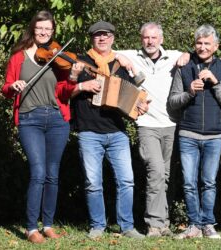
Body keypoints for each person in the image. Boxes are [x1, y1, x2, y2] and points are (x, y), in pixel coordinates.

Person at [69, 20, 149, 239]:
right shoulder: (80, 62)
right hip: (88, 131)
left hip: (117, 132)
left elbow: (134, 92)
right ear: (92, 39)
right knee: (93, 182)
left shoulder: (119, 65)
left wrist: (139, 105)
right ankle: (97, 225)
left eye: (106, 35)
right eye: (97, 35)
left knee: (126, 181)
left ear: (112, 38)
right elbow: (65, 92)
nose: (102, 39)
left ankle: (127, 226)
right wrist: (80, 84)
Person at [1, 10, 76, 244]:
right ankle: (31, 228)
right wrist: (13, 86)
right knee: (38, 173)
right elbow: (5, 89)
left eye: (48, 29)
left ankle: (48, 224)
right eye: (40, 28)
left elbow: (64, 91)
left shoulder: (58, 57)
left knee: (52, 175)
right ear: (33, 29)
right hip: (29, 118)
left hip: (56, 119)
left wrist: (73, 77)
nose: (44, 32)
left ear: (53, 31)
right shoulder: (19, 57)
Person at [117, 22, 188, 237]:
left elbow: (195, 53)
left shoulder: (173, 56)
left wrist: (186, 54)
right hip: (146, 124)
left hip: (171, 124)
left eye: (154, 38)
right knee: (155, 171)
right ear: (141, 39)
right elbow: (106, 51)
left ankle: (164, 223)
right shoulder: (133, 55)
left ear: (161, 40)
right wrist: (122, 58)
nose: (150, 41)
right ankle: (154, 225)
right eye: (146, 38)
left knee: (166, 175)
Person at [168, 24, 221, 239]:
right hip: (188, 133)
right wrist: (189, 92)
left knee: (209, 182)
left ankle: (208, 224)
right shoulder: (184, 68)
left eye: (207, 43)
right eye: (199, 43)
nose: (202, 47)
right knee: (188, 182)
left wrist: (215, 83)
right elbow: (173, 102)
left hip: (214, 135)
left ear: (215, 46)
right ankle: (194, 225)